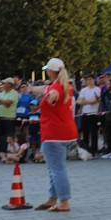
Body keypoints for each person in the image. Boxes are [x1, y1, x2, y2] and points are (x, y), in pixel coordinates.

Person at [30, 58, 76, 211]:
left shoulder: (56, 87)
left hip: (53, 133)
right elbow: (45, 89)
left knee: (57, 169)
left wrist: (50, 98)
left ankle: (64, 202)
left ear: (51, 71)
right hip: (65, 131)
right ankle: (52, 198)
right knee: (54, 167)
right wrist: (30, 89)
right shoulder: (65, 85)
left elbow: (52, 94)